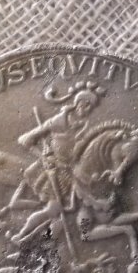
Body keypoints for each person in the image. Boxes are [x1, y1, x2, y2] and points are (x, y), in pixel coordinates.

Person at [9, 81, 105, 243]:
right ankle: (22, 235)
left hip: (70, 172)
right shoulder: (59, 121)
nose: (89, 110)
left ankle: (37, 241)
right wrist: (43, 157)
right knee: (53, 210)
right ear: (79, 103)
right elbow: (24, 140)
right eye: (87, 106)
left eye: (91, 108)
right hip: (51, 170)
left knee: (63, 211)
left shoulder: (84, 124)